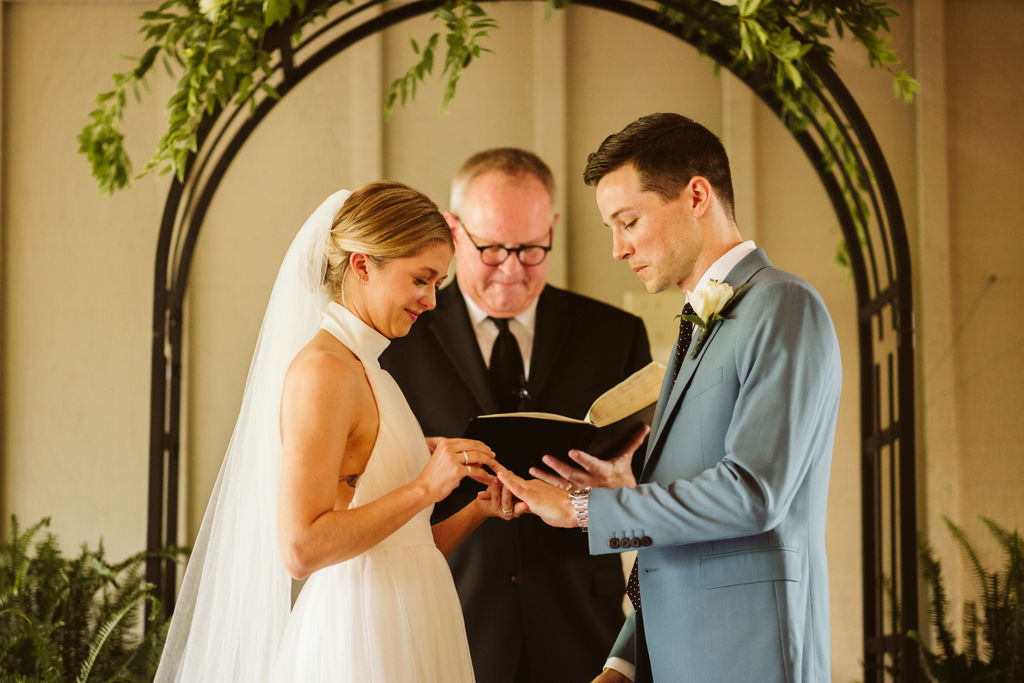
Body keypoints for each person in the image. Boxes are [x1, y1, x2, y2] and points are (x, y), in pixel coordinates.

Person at [497, 113, 842, 683]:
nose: (617, 249)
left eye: (628, 221)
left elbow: (753, 494)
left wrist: (584, 510)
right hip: (676, 655)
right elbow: (688, 525)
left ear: (697, 196)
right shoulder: (695, 327)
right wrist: (624, 660)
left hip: (750, 656)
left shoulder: (784, 307)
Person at [155, 182, 517, 682]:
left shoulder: (371, 370)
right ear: (363, 264)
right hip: (361, 637)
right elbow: (301, 548)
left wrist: (478, 508)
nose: (433, 300)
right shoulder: (324, 372)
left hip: (412, 624)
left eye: (438, 282)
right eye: (422, 279)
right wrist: (424, 486)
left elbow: (409, 548)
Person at [380, 148, 652, 683]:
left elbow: (655, 490)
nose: (511, 270)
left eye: (530, 250)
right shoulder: (399, 339)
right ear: (454, 230)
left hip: (583, 627)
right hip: (449, 616)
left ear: (551, 228)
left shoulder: (614, 336)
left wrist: (623, 488)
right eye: (491, 249)